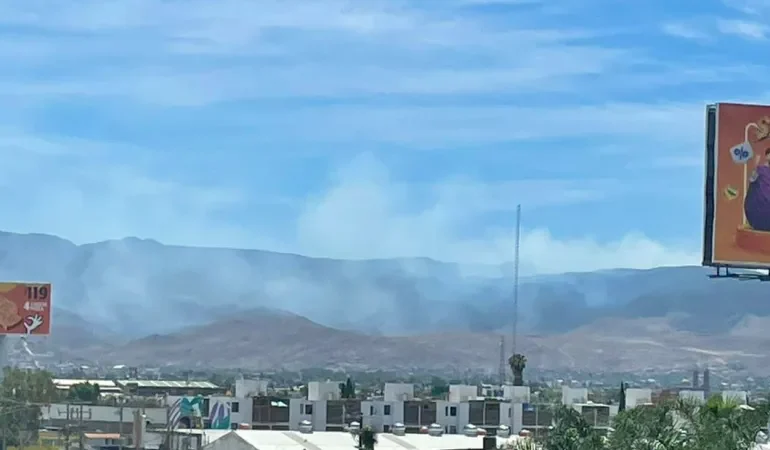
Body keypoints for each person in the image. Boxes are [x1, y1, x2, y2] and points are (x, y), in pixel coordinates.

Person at [744, 148, 770, 232]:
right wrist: (755, 167)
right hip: (761, 206)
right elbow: (752, 179)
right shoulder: (760, 169)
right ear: (767, 156)